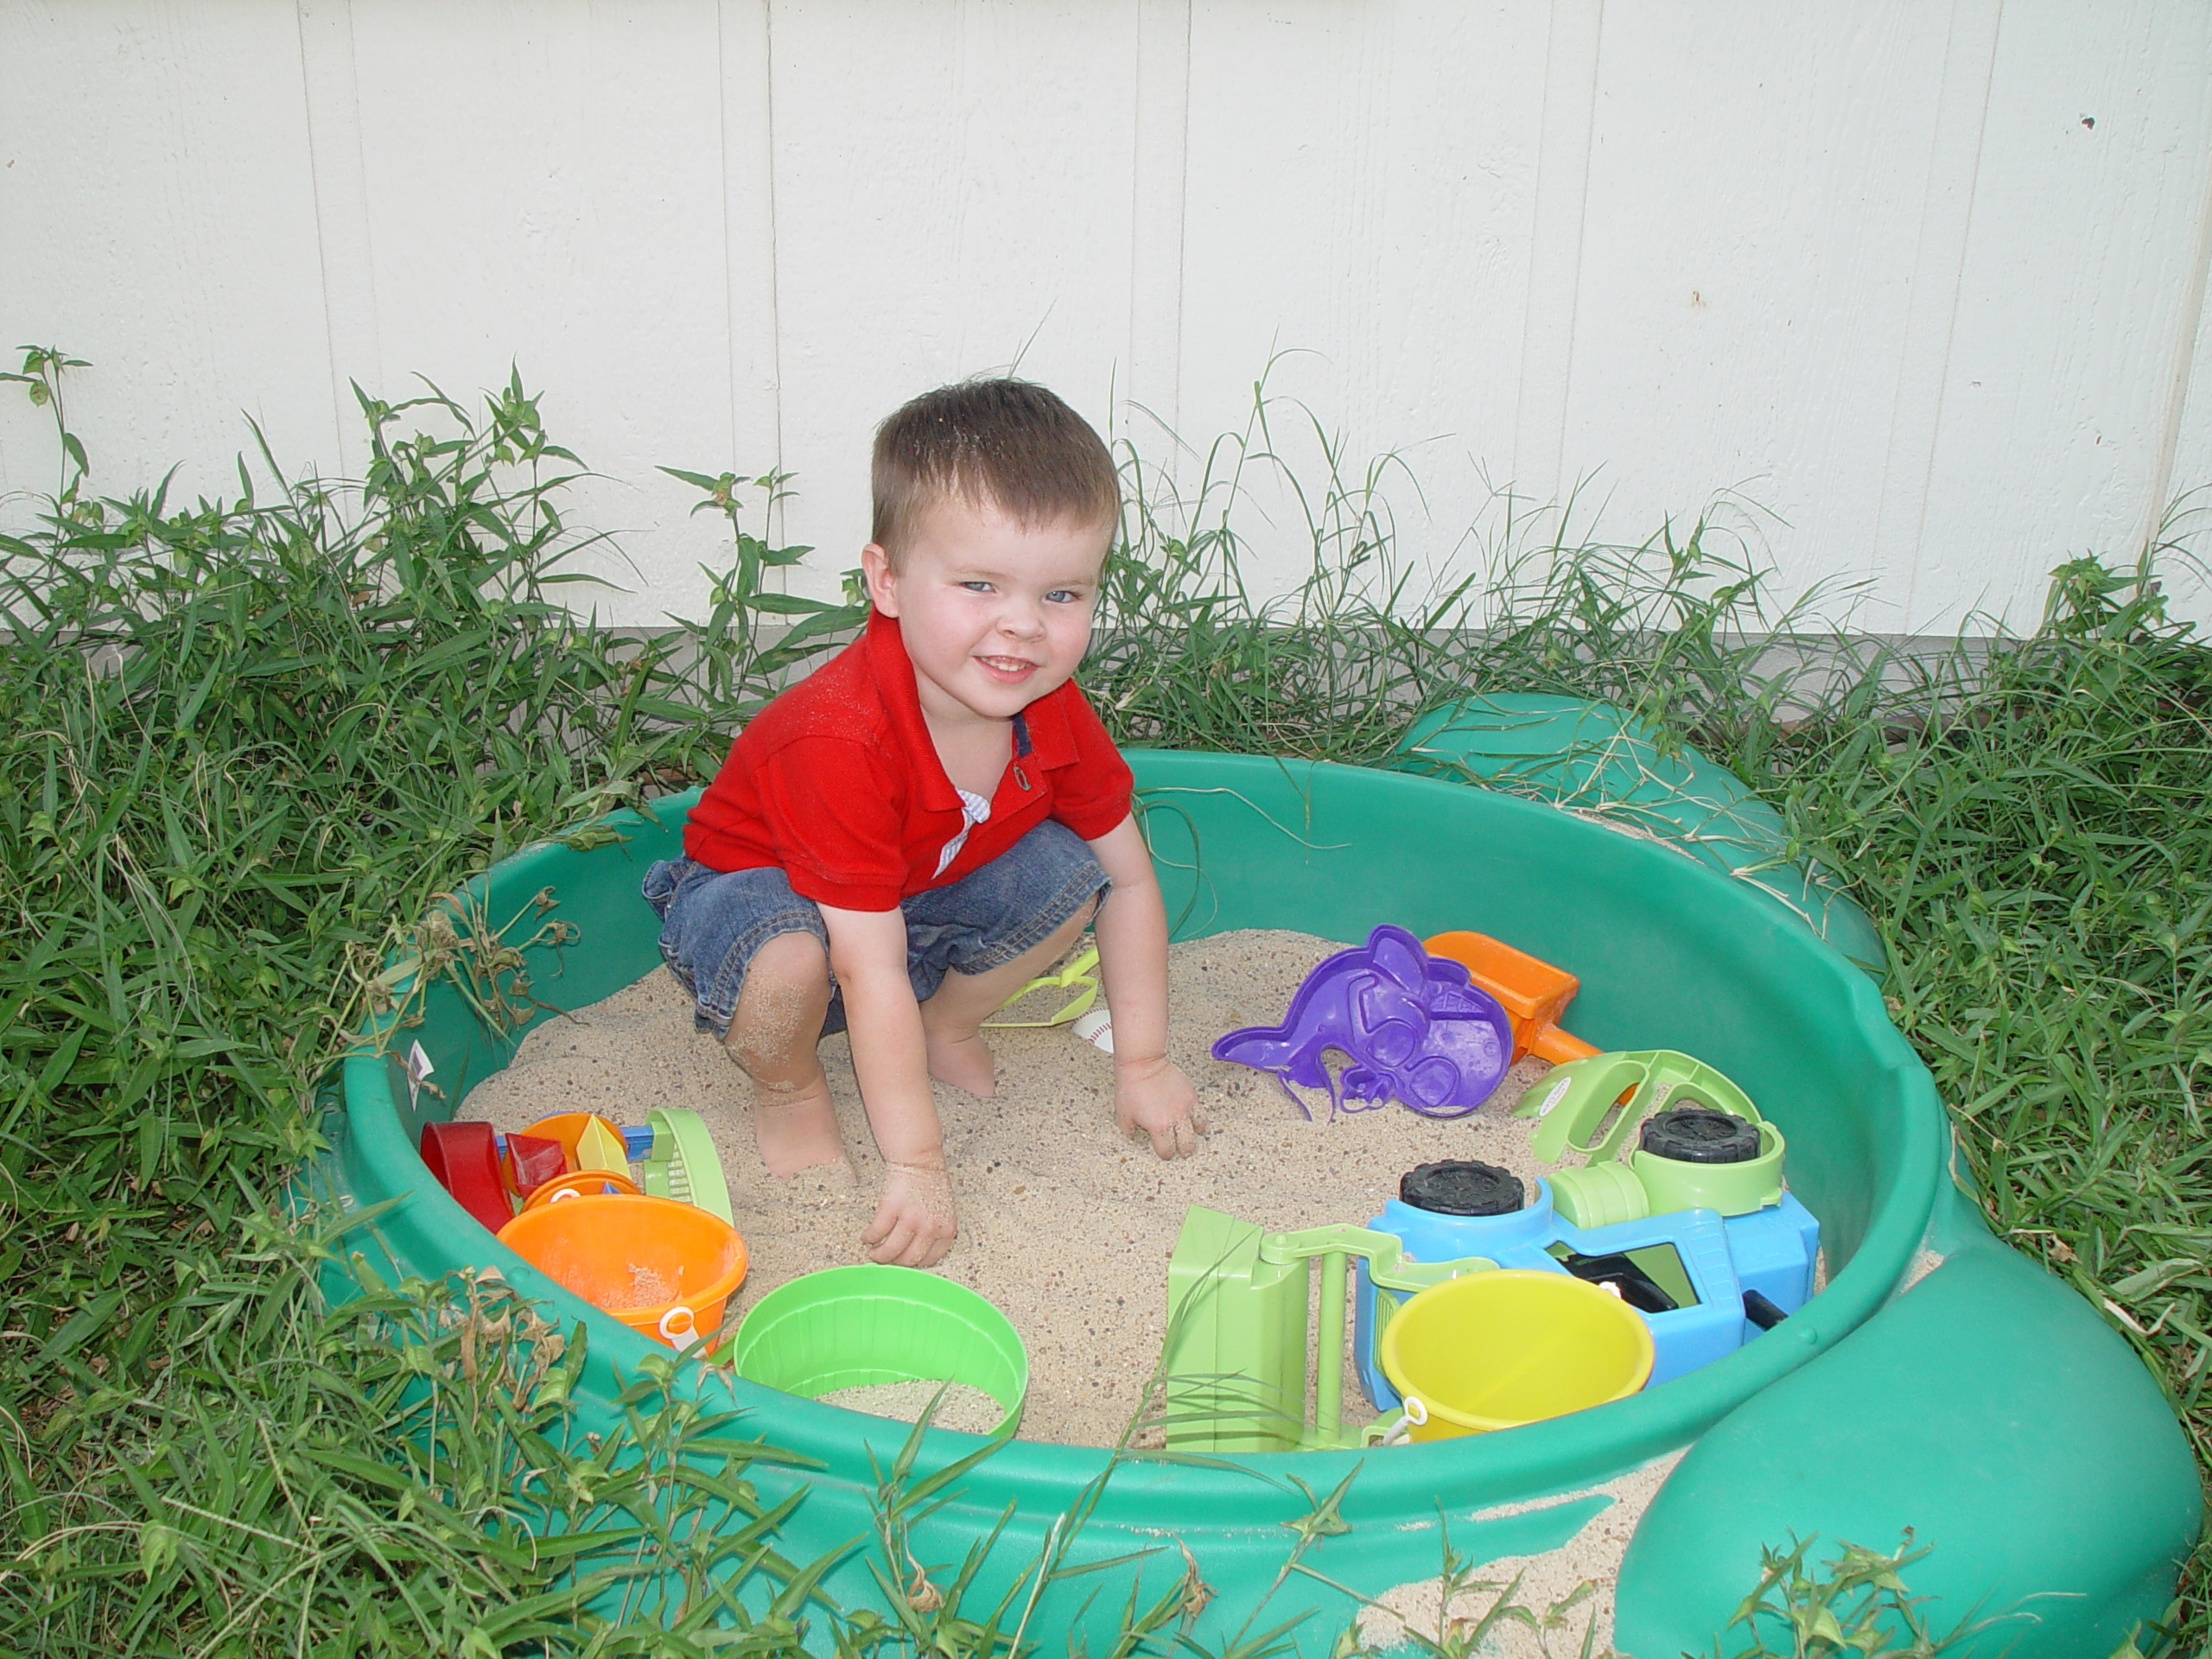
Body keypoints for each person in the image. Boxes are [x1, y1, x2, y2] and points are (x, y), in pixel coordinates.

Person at [642, 379, 1203, 1268]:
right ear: (888, 581)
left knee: (1071, 875)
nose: (1021, 626)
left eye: (1062, 594)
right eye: (978, 584)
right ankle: (789, 1088)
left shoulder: (1050, 710)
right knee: (794, 958)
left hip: (905, 901)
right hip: (757, 904)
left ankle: (948, 1021)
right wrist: (917, 1161)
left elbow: (1128, 879)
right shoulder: (841, 738)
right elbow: (863, 971)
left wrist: (1143, 1061)